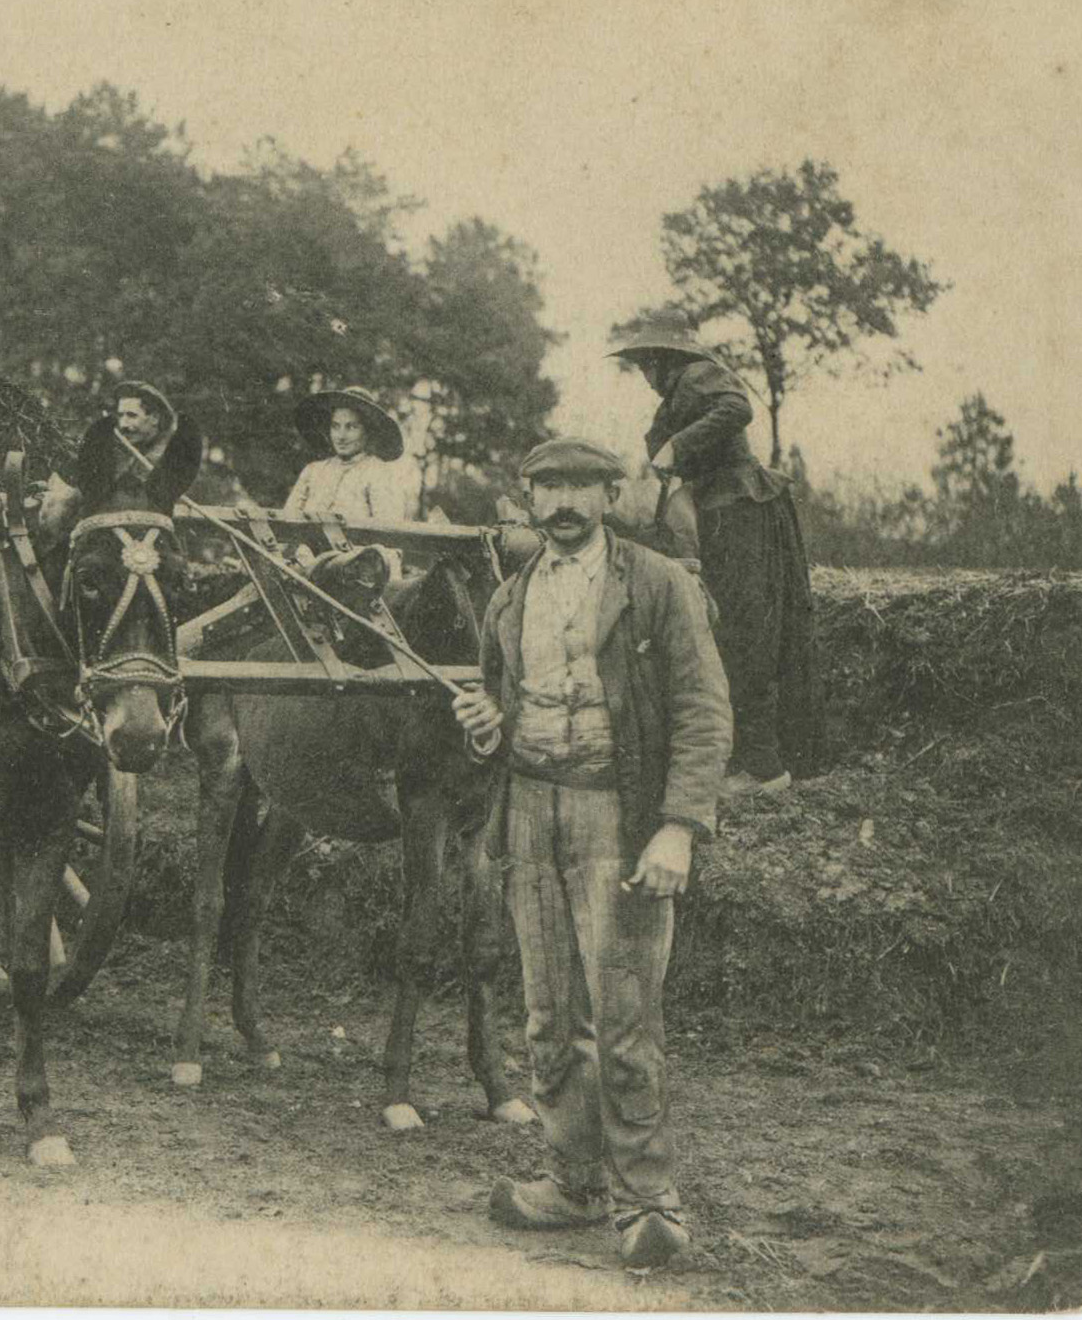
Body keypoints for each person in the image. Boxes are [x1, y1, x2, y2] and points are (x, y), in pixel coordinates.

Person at [450, 436, 731, 1271]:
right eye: (548, 487)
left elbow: (703, 709)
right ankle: (572, 1182)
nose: (563, 502)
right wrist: (484, 727)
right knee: (546, 1013)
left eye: (581, 486)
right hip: (529, 810)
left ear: (611, 495)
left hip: (620, 814)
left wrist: (679, 824)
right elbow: (499, 704)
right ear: (529, 498)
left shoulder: (658, 585)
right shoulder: (509, 597)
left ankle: (647, 1200)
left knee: (624, 1016)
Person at [607, 312, 822, 795]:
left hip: (743, 513)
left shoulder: (697, 375)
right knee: (728, 631)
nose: (644, 376)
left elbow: (737, 409)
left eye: (646, 364)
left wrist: (677, 447)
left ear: (666, 360)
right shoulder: (673, 400)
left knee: (746, 632)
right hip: (720, 520)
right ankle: (747, 758)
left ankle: (764, 768)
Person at [283, 384, 421, 521]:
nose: (341, 436)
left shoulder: (379, 473)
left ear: (368, 431)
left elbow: (388, 531)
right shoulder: (312, 471)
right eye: (335, 427)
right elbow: (286, 523)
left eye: (351, 427)